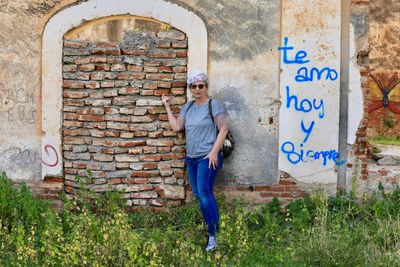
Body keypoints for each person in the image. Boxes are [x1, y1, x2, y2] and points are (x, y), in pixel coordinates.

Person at [161, 72, 229, 252]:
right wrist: (167, 106)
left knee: (205, 194)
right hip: (191, 158)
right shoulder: (188, 107)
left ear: (206, 87)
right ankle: (214, 229)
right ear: (190, 89)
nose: (197, 89)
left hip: (208, 157)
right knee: (199, 195)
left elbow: (223, 129)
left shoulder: (214, 105)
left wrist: (214, 152)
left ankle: (214, 235)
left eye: (201, 86)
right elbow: (177, 127)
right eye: (194, 86)